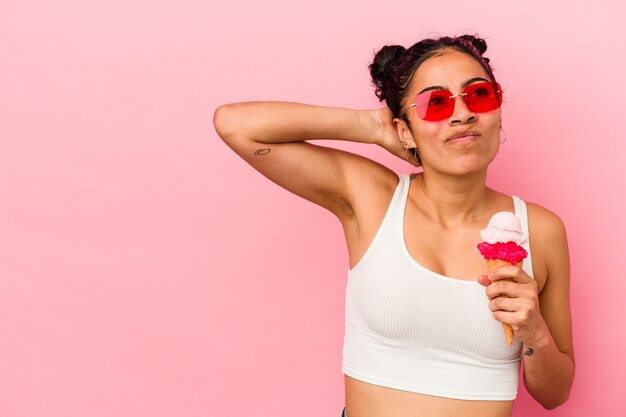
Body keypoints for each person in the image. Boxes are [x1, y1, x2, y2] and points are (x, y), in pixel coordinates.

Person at [213, 34, 574, 417]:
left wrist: (535, 334)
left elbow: (555, 393)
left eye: (479, 95)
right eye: (435, 103)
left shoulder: (540, 230)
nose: (462, 113)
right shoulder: (373, 198)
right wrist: (371, 126)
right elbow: (236, 124)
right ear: (404, 130)